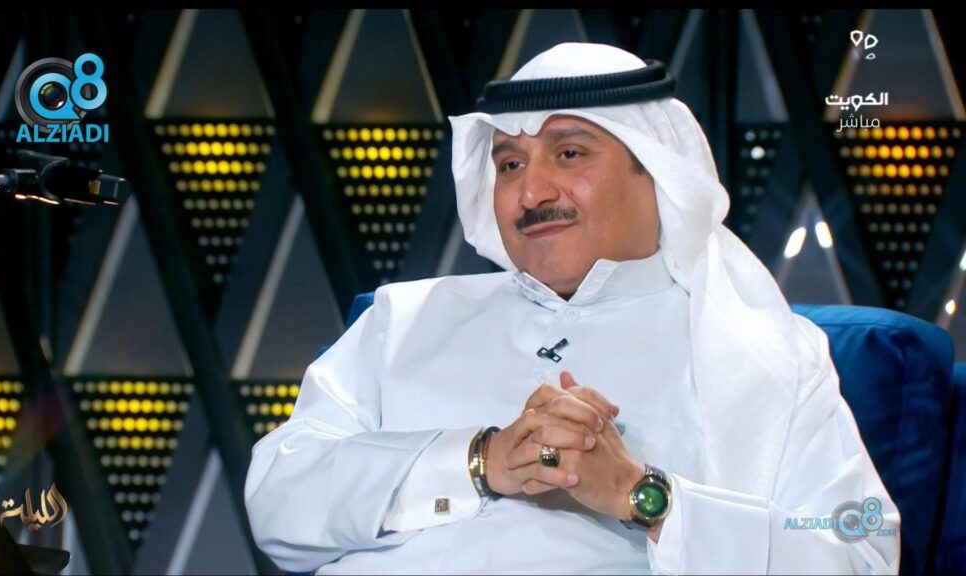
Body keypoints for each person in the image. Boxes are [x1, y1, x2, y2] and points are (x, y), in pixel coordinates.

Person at [244, 42, 900, 574]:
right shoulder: (402, 321)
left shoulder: (764, 351)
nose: (531, 192)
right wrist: (479, 461)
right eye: (508, 164)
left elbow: (858, 551)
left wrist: (642, 496)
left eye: (569, 153)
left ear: (657, 172)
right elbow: (278, 496)